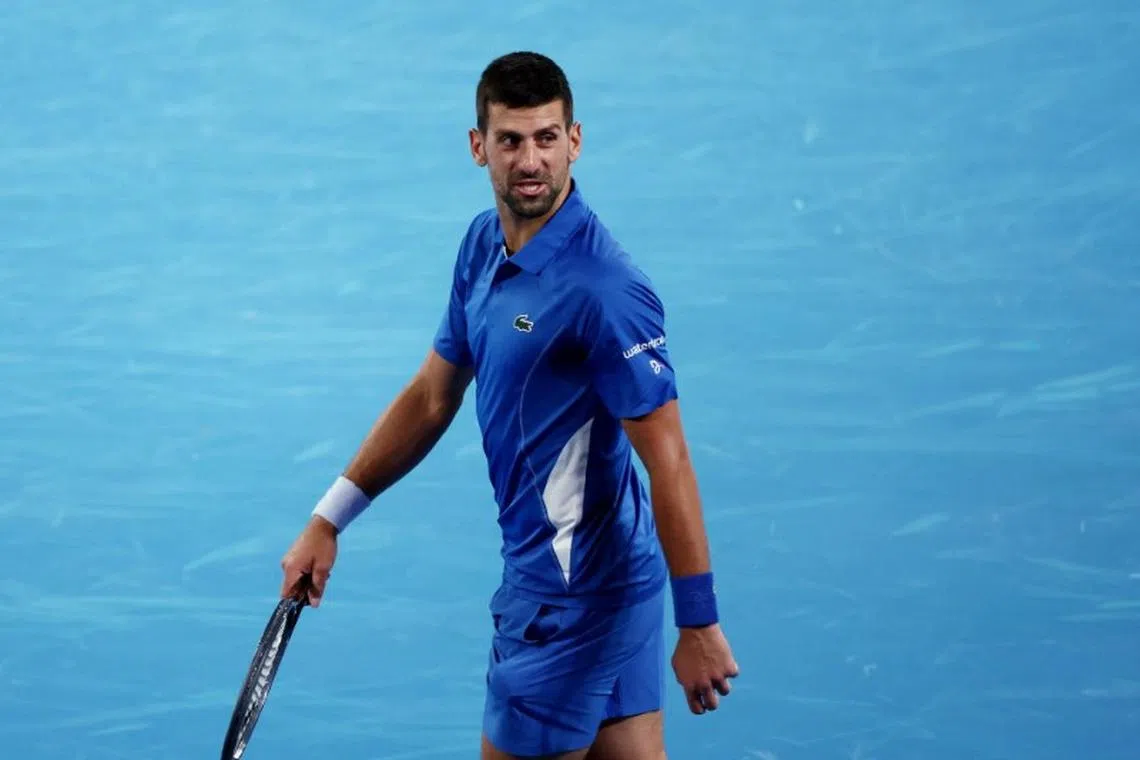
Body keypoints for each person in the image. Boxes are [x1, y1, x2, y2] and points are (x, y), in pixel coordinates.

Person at [279, 51, 739, 759]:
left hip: (567, 602)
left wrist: (699, 623)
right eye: (512, 141)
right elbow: (433, 396)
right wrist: (330, 516)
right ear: (478, 147)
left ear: (575, 141)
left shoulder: (603, 290)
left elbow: (669, 460)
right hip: (598, 585)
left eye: (547, 138)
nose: (532, 161)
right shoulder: (480, 246)